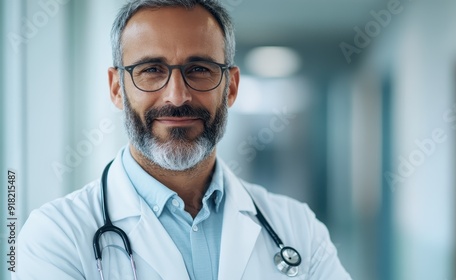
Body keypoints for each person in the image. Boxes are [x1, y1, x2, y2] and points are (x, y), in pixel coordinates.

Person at [14, 0, 351, 279]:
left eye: (199, 69)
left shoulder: (299, 228)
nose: (177, 96)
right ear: (117, 88)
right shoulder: (55, 236)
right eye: (151, 70)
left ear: (231, 86)